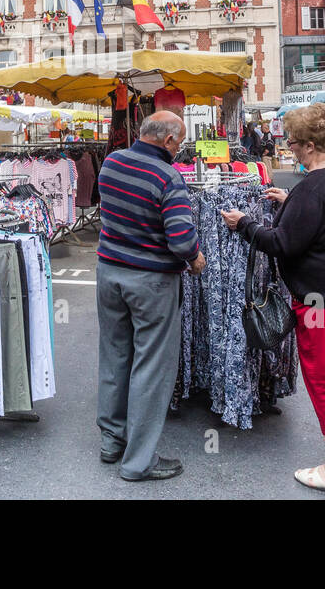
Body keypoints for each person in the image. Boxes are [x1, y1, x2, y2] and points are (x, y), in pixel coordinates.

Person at [221, 103, 325, 499]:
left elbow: (282, 244)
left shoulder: (312, 187)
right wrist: (290, 203)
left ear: (309, 145)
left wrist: (244, 223)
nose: (290, 148)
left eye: (293, 143)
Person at [95, 111, 207, 482]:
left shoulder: (111, 162)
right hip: (150, 281)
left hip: (109, 273)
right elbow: (181, 239)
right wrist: (195, 258)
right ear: (169, 140)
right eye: (181, 140)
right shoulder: (167, 176)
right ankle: (138, 461)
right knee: (151, 367)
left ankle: (112, 440)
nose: (181, 147)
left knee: (115, 356)